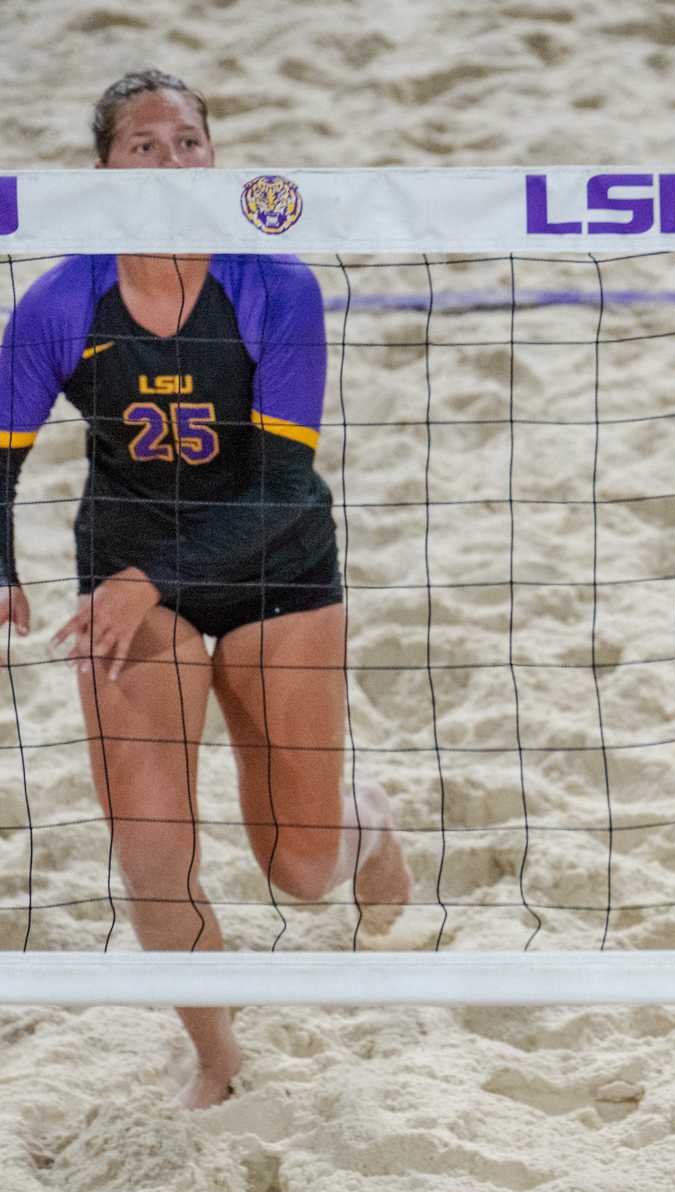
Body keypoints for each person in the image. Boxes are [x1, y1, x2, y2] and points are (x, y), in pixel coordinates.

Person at [0, 70, 411, 1108]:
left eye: (189, 141)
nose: (172, 160)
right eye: (145, 144)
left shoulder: (277, 285)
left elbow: (283, 487)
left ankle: (368, 828)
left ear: (214, 160)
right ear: (104, 173)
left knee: (302, 870)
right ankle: (218, 1057)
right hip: (136, 578)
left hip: (277, 568)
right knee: (150, 855)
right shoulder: (62, 299)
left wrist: (150, 578)